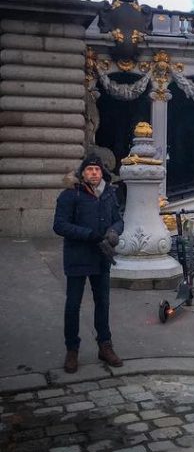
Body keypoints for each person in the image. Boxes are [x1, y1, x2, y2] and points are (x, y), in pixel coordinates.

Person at [53, 154, 124, 373]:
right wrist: (89, 235)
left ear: (102, 173)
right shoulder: (70, 194)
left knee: (103, 302)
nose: (94, 173)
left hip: (101, 257)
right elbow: (59, 225)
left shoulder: (109, 193)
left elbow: (118, 219)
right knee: (73, 305)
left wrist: (114, 231)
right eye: (90, 169)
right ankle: (72, 350)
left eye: (97, 169)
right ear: (82, 173)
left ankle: (105, 346)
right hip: (77, 256)